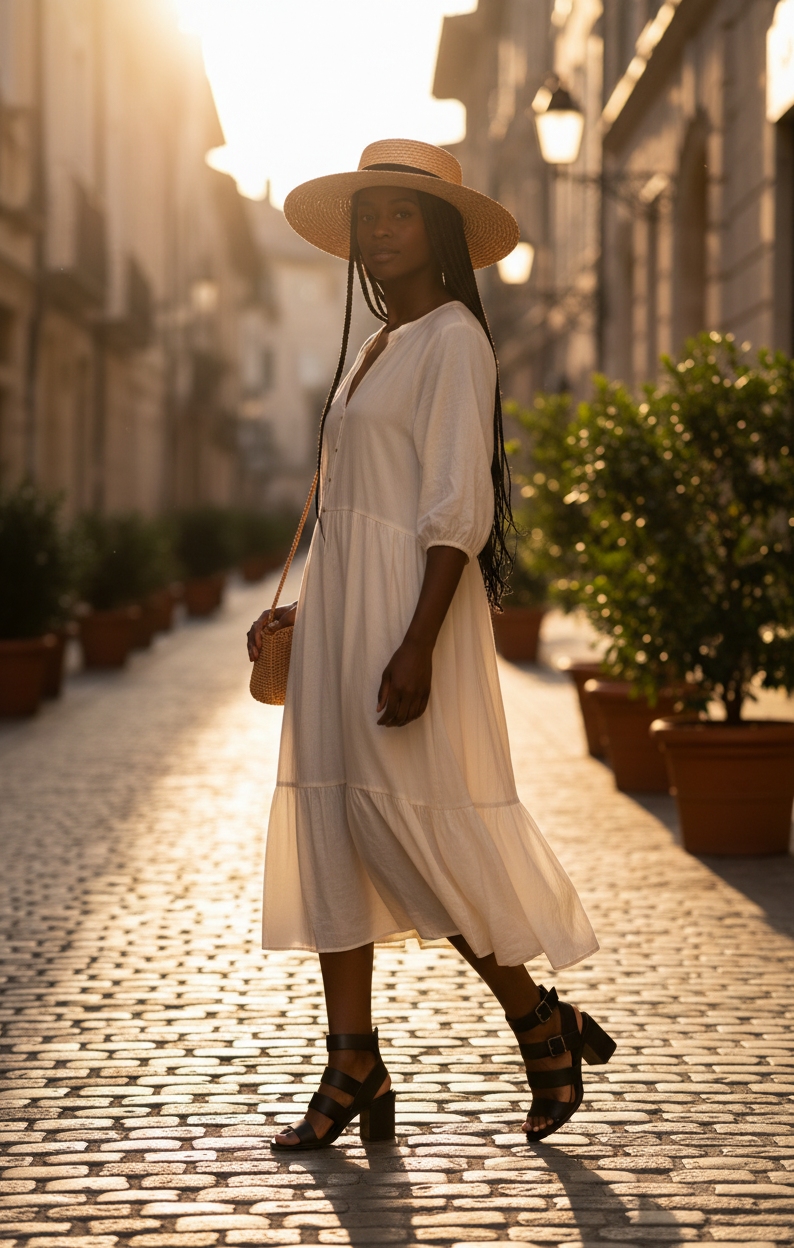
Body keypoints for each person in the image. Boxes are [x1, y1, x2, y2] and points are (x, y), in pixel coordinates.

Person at [247, 139, 614, 1151]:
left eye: (401, 213)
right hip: (342, 612)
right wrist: (305, 614)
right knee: (335, 829)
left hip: (410, 613)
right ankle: (351, 1056)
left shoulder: (455, 338)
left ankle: (535, 1022)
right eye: (370, 212)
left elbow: (458, 507)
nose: (378, 228)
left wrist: (413, 644)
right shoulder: (374, 346)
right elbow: (350, 501)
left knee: (410, 831)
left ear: (442, 233)